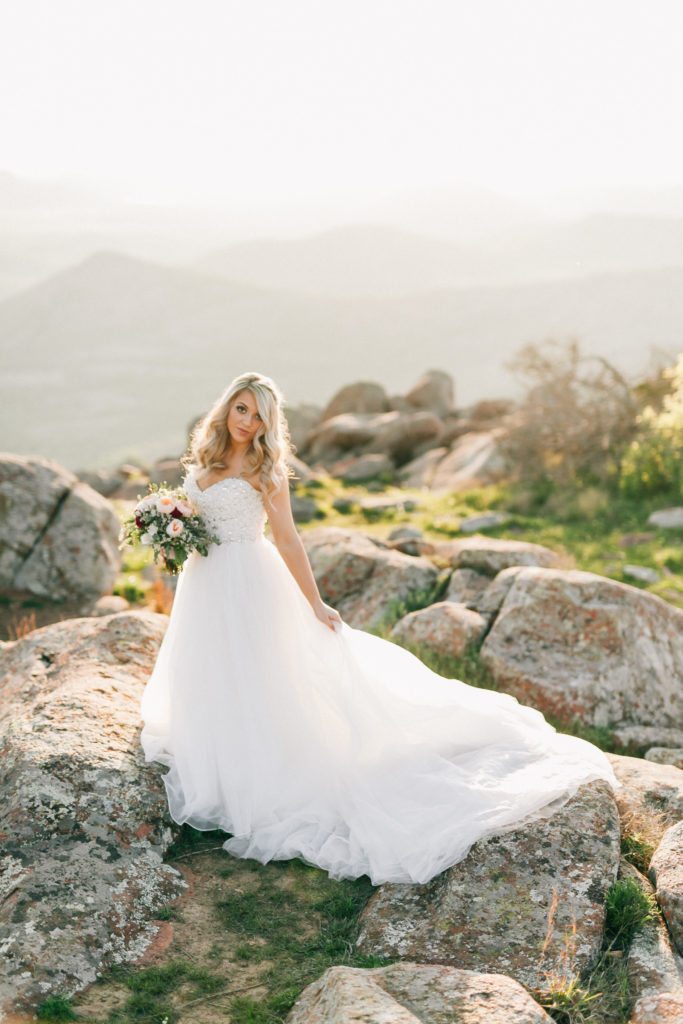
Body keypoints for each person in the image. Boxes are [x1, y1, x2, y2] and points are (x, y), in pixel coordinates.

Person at [140, 371, 618, 885]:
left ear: (269, 424)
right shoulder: (206, 460)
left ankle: (259, 770)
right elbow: (195, 522)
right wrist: (169, 530)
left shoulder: (266, 471)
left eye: (258, 415)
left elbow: (289, 540)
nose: (246, 422)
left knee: (261, 675)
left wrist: (317, 603)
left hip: (249, 582)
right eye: (240, 409)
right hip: (205, 584)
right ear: (226, 408)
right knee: (214, 670)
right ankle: (217, 750)